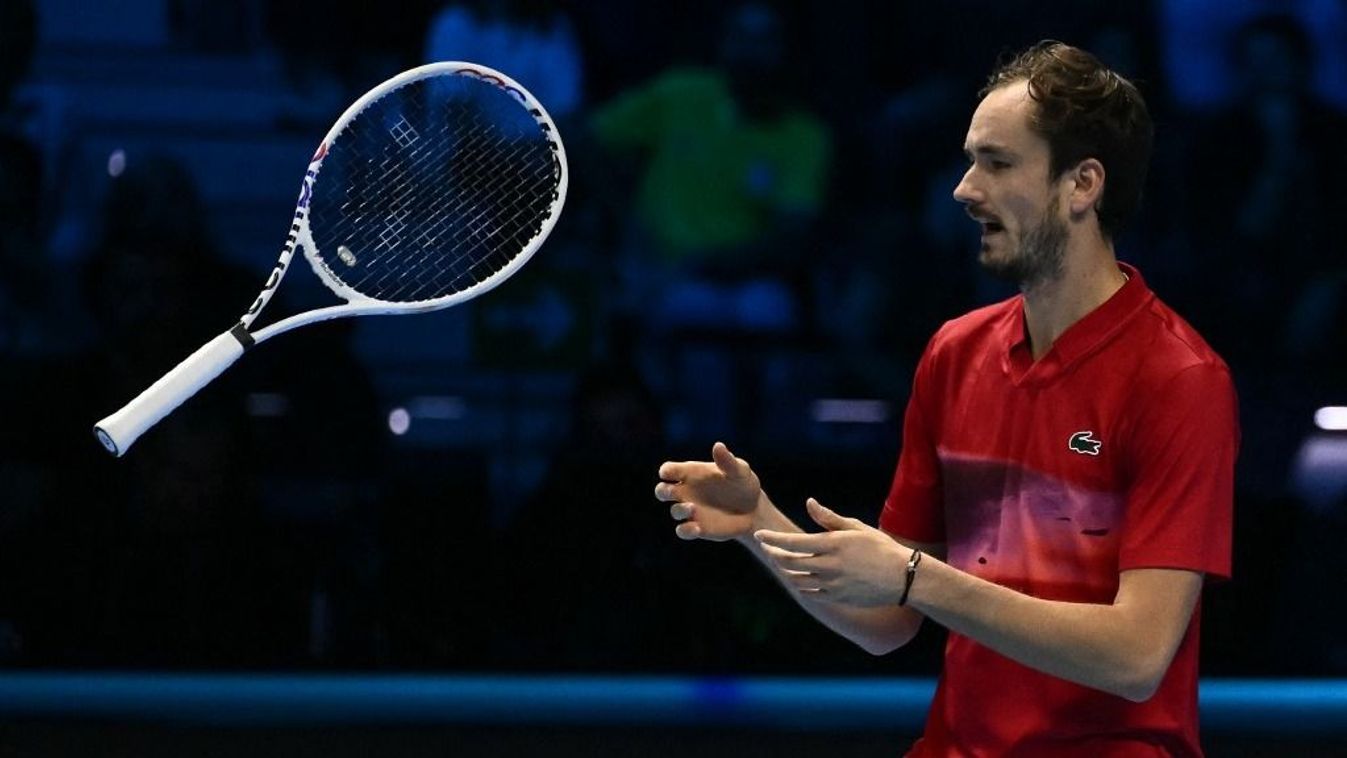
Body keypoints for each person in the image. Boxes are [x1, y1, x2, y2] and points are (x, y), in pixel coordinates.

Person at [655, 41, 1238, 756]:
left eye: (996, 163)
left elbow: (1135, 658)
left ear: (1081, 184)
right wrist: (760, 525)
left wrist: (914, 577)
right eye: (970, 160)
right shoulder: (954, 354)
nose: (964, 190)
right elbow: (885, 620)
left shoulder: (1178, 379)